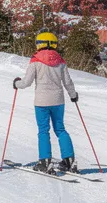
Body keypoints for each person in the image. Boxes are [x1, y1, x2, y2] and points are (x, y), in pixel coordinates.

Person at [13, 31, 79, 174]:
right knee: (60, 129)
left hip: (42, 102)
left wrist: (16, 84)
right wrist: (73, 95)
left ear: (39, 43)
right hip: (58, 101)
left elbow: (26, 82)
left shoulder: (35, 60)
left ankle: (45, 161)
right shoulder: (60, 61)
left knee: (43, 131)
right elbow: (67, 82)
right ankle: (69, 160)